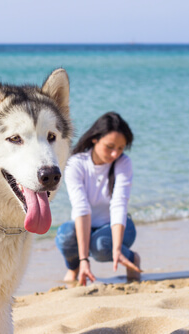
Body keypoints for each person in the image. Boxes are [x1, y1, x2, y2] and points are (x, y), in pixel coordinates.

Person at [55, 111, 142, 286]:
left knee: (101, 245)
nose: (114, 154)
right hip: (85, 224)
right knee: (65, 235)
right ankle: (75, 268)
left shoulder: (123, 163)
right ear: (95, 138)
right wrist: (84, 259)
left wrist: (116, 249)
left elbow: (119, 204)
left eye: (120, 148)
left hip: (117, 227)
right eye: (110, 146)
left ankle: (131, 258)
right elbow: (81, 208)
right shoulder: (75, 163)